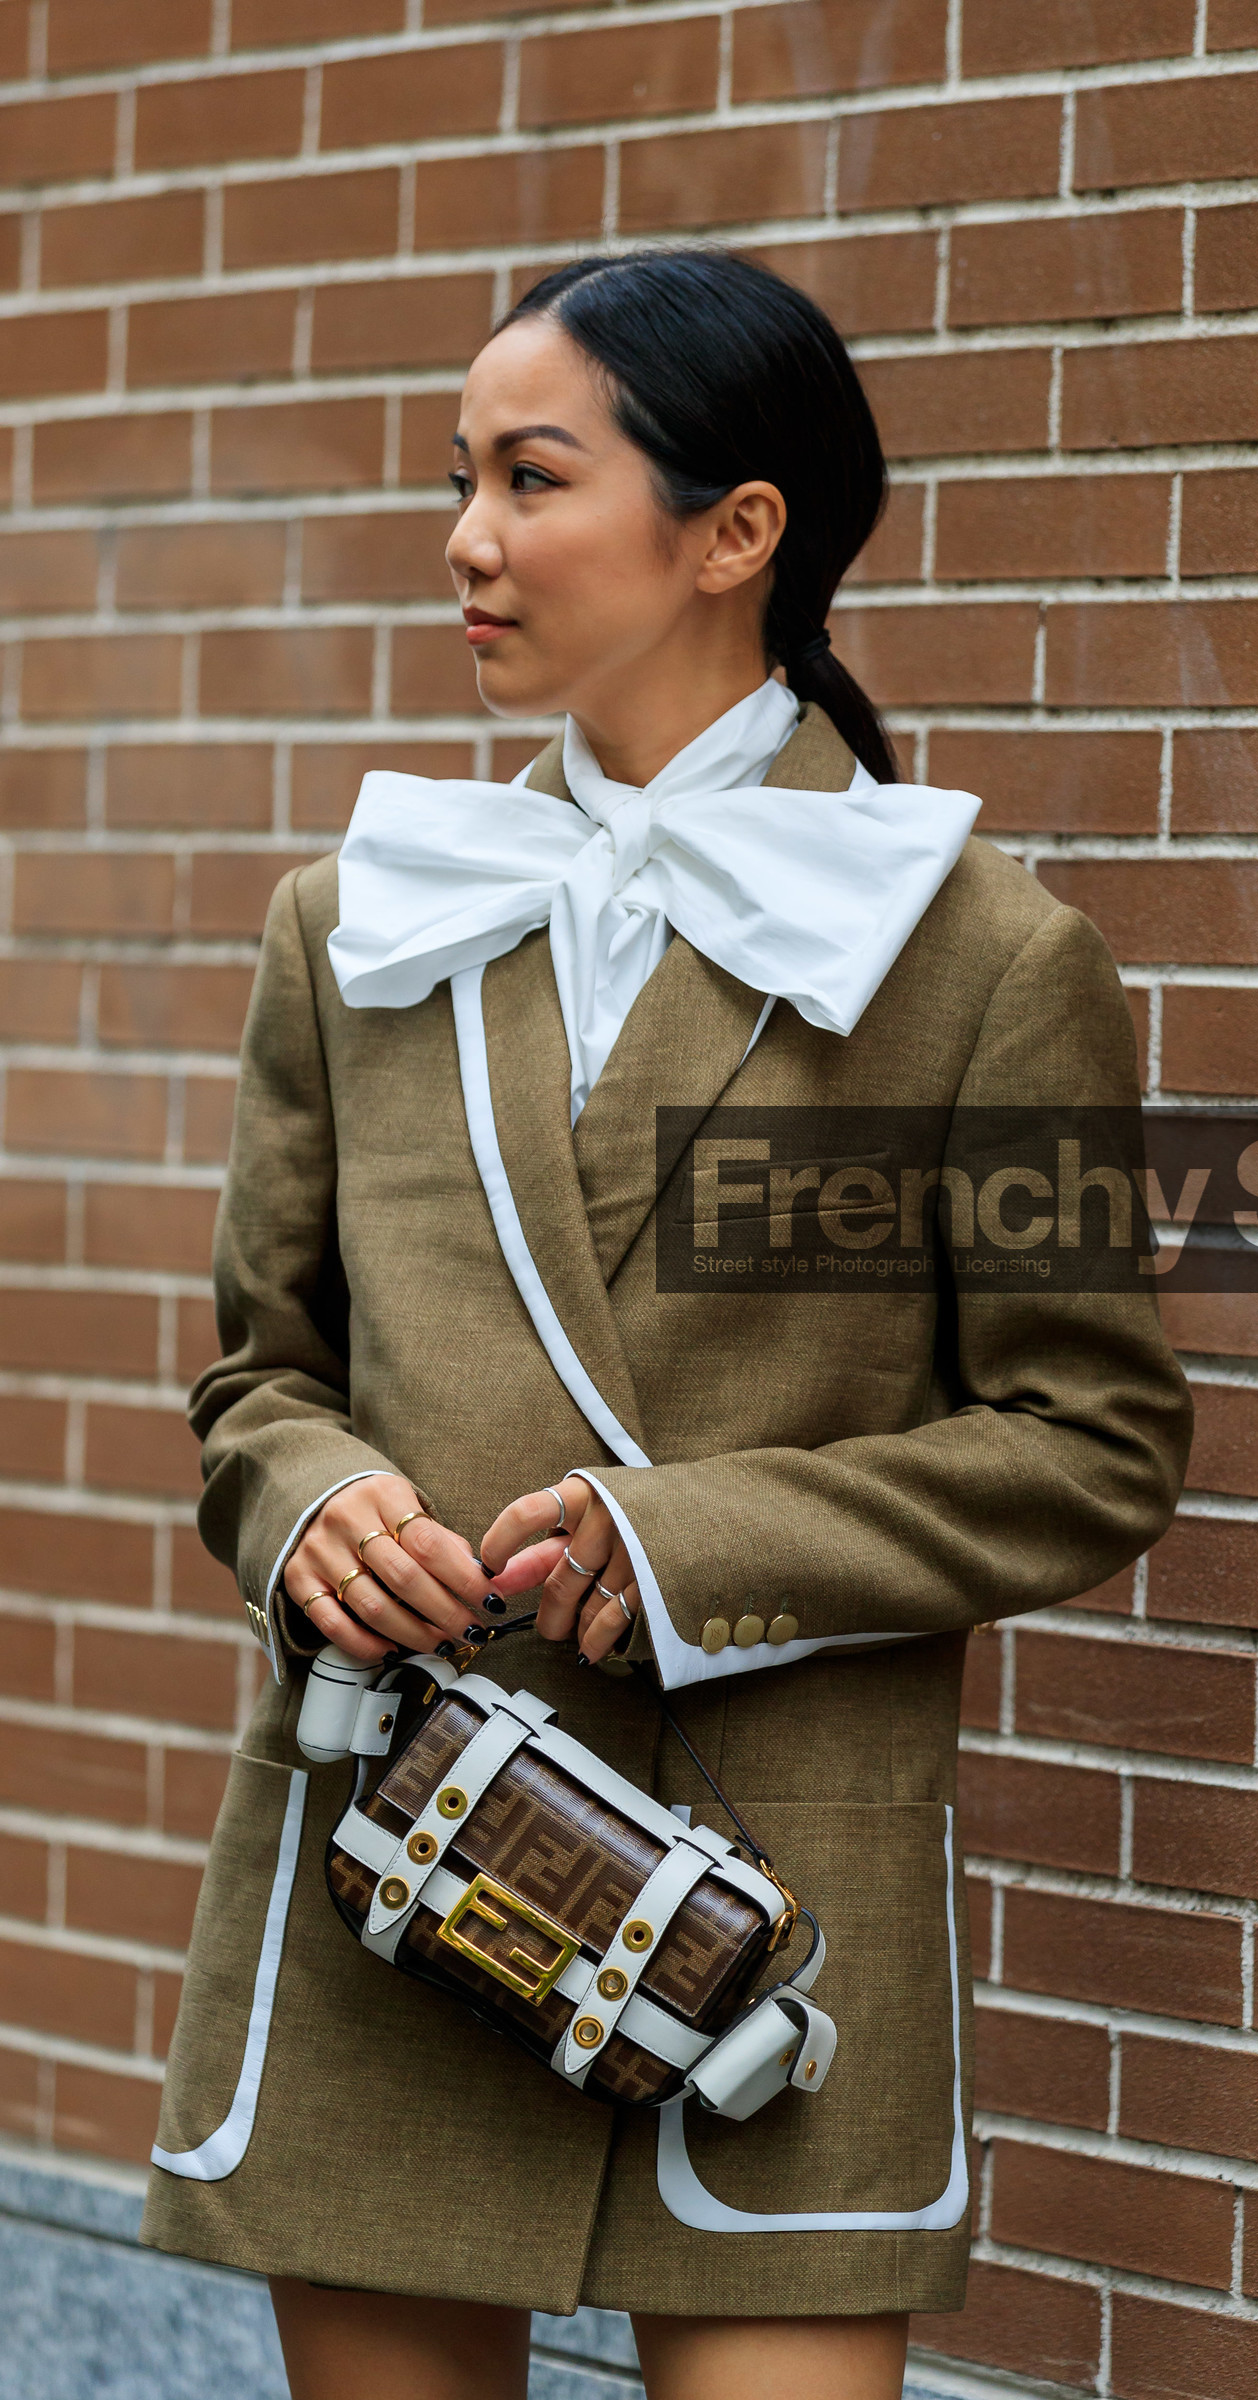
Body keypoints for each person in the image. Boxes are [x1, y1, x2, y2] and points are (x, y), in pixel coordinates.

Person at [140, 248, 1192, 2400]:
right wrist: (310, 1503)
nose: (466, 539)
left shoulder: (983, 957)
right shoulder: (356, 920)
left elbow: (1092, 1439)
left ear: (737, 532)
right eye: (458, 479)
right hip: (400, 1853)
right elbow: (261, 1375)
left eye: (531, 479)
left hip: (763, 1910)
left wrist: (696, 1546)